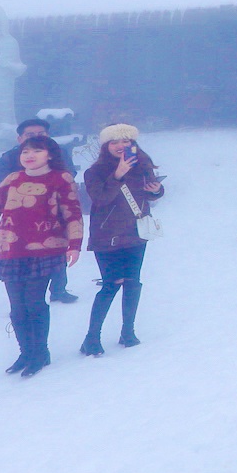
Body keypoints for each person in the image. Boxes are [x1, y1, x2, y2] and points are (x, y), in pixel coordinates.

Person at [0, 135, 83, 377]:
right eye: (25, 152)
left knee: (34, 303)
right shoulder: (12, 180)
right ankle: (26, 353)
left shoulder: (60, 179)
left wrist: (75, 244)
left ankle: (40, 353)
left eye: (36, 151)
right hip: (11, 251)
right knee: (17, 308)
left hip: (46, 250)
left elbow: (73, 214)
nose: (29, 156)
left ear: (49, 154)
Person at [80, 124, 162, 356]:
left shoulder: (142, 166)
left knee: (133, 282)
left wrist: (156, 190)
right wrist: (117, 175)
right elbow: (100, 198)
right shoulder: (94, 172)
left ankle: (128, 331)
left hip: (136, 233)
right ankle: (91, 337)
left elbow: (149, 195)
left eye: (126, 141)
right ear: (106, 147)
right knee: (111, 284)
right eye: (114, 142)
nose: (120, 146)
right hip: (107, 235)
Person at [0, 118, 79, 303]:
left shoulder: (59, 153)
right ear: (19, 138)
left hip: (54, 215)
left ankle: (58, 289)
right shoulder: (8, 159)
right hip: (20, 222)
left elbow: (70, 174)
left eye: (41, 134)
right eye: (30, 135)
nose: (36, 138)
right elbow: (0, 192)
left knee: (56, 249)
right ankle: (23, 304)